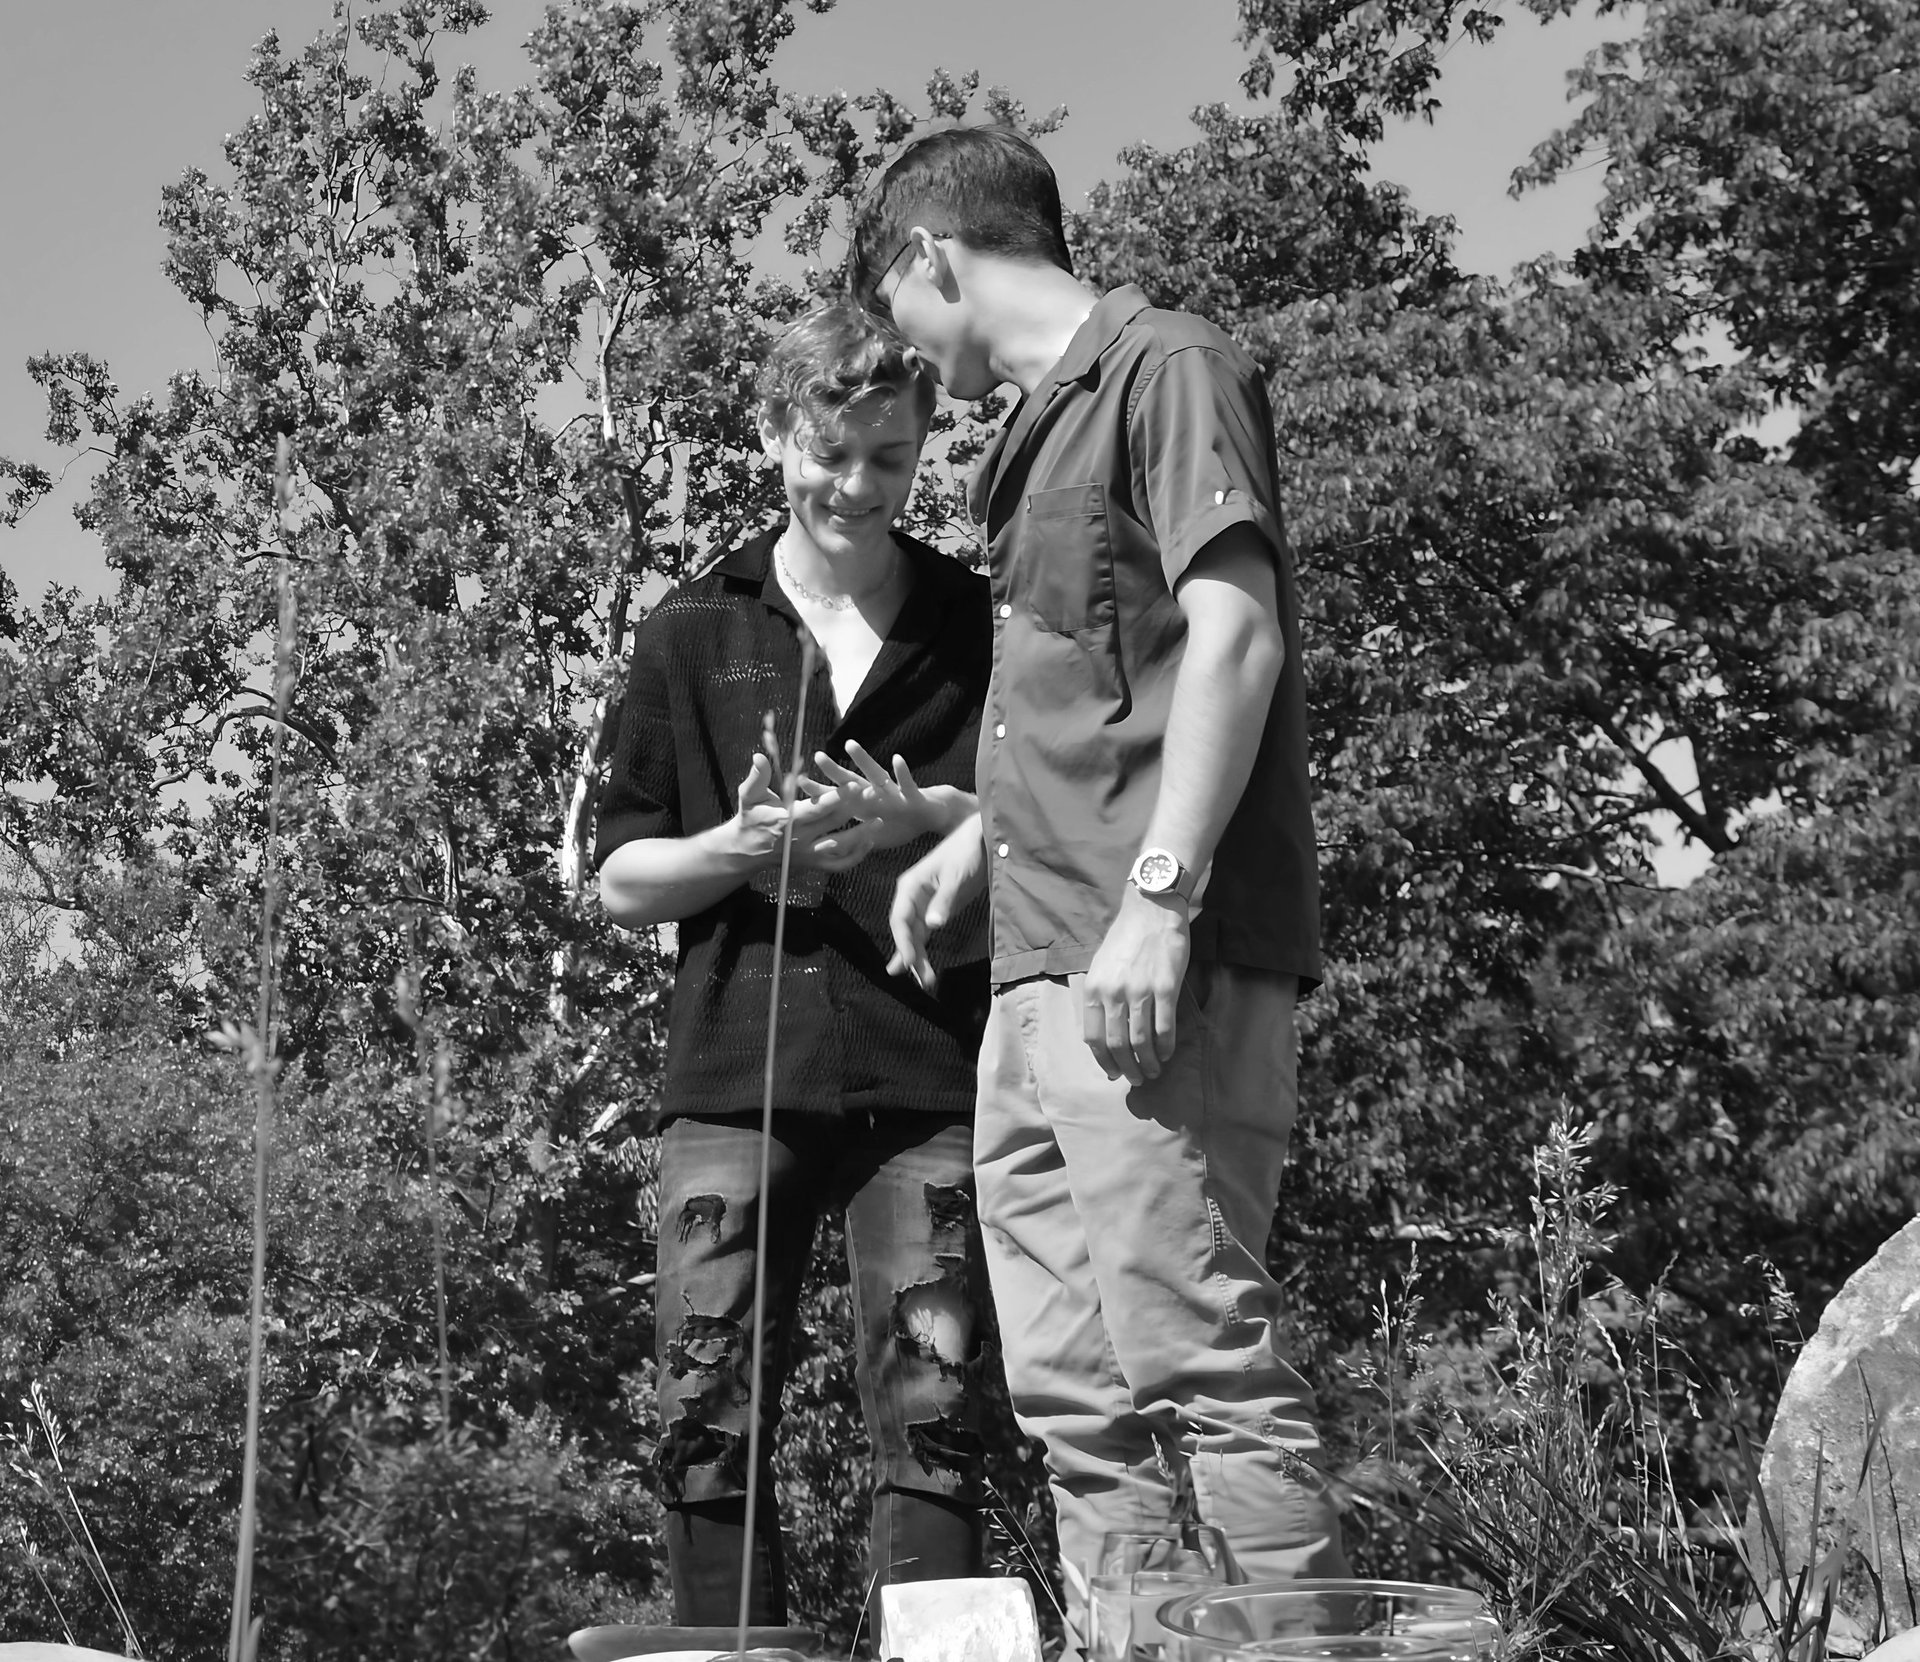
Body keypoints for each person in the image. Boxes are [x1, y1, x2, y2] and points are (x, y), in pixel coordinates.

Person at [848, 125, 1350, 1640]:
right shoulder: (1029, 439)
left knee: (1198, 1358)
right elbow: (1084, 687)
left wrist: (1159, 896)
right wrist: (965, 843)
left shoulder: (1168, 366)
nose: (911, 362)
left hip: (1149, 961)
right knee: (1077, 1396)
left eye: (900, 312)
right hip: (1037, 965)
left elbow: (1234, 635)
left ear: (934, 257)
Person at [594, 301, 995, 1626]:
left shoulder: (977, 625)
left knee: (934, 1408)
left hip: (928, 1063)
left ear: (923, 445)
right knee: (703, 1403)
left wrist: (936, 824)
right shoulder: (689, 631)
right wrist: (737, 849)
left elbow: (1050, 820)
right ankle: (729, 1651)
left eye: (889, 457)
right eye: (833, 453)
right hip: (730, 1067)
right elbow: (618, 873)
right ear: (776, 436)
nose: (859, 486)